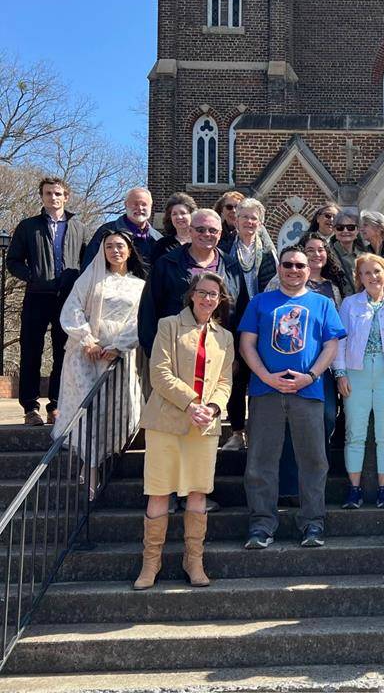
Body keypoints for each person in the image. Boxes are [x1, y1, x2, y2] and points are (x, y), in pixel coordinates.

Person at [239, 246, 346, 549]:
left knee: (313, 461)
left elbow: (330, 346)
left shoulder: (322, 303)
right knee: (261, 461)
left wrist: (311, 376)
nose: (294, 270)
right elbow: (247, 344)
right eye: (287, 264)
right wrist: (265, 376)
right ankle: (261, 525)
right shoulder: (260, 302)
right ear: (279, 268)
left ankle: (313, 524)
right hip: (265, 392)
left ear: (308, 270)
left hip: (308, 392)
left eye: (300, 265)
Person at [133, 272, 234, 590]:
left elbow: (224, 381)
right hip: (167, 422)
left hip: (205, 425)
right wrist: (191, 403)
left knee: (197, 493)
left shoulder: (224, 337)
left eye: (214, 295)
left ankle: (194, 560)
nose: (207, 299)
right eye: (202, 293)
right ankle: (150, 563)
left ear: (220, 300)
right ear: (191, 295)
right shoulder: (168, 326)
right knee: (160, 492)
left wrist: (214, 408)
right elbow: (159, 373)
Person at [53, 231, 147, 491]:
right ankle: (90, 466)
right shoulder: (90, 279)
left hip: (117, 356)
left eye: (120, 246)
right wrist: (88, 340)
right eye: (109, 246)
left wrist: (118, 346)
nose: (115, 251)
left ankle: (103, 459)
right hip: (86, 355)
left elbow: (140, 320)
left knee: (111, 409)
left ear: (129, 250)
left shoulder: (138, 285)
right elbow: (72, 308)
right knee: (88, 410)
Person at [334, 254, 384, 510]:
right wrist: (340, 373)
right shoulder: (349, 304)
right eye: (367, 273)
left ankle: (383, 490)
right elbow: (341, 341)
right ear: (360, 278)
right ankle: (354, 490)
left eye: (377, 271)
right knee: (354, 434)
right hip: (356, 373)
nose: (373, 277)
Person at [8, 176, 88, 426]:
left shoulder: (79, 227)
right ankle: (30, 408)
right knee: (31, 352)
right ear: (41, 197)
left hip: (67, 299)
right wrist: (32, 276)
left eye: (57, 193)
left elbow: (87, 263)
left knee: (63, 353)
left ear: (66, 197)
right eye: (47, 194)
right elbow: (13, 261)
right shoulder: (28, 226)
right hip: (36, 297)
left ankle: (56, 405)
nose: (52, 198)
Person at [138, 209, 239, 355]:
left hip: (219, 353)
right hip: (175, 351)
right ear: (190, 231)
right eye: (200, 229)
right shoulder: (167, 264)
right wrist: (155, 353)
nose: (206, 234)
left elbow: (239, 311)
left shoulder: (232, 267)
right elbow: (148, 311)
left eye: (212, 230)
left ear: (220, 233)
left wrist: (235, 358)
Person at [222, 198, 278, 452]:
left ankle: (258, 431)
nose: (249, 222)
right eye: (244, 216)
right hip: (234, 321)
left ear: (261, 222)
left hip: (261, 324)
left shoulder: (268, 254)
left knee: (259, 377)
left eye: (254, 218)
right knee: (236, 378)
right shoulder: (225, 250)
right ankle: (236, 432)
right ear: (236, 219)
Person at [84, 187, 160, 269]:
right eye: (135, 204)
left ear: (151, 206)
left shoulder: (159, 239)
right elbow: (89, 266)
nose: (140, 208)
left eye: (144, 204)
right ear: (126, 205)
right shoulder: (106, 231)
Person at [149, 193, 198, 265]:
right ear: (170, 218)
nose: (179, 217)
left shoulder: (200, 241)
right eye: (174, 214)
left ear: (192, 215)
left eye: (183, 213)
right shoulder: (162, 244)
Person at [330, 210, 367, 298]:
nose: (345, 231)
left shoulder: (364, 256)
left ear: (357, 230)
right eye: (340, 228)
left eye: (351, 227)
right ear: (334, 230)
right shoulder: (328, 255)